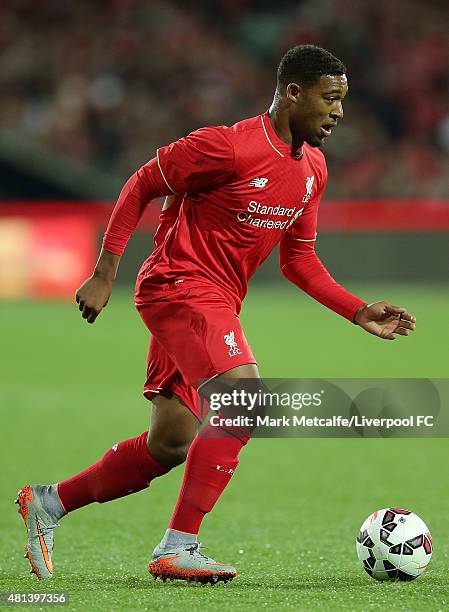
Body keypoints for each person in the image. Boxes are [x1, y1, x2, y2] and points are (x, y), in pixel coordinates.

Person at [16, 44, 416, 584]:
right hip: (178, 285)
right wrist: (106, 271)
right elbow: (142, 183)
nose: (340, 112)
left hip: (215, 301)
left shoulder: (313, 169)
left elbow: (298, 259)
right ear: (293, 93)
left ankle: (49, 503)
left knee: (170, 443)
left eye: (343, 100)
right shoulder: (225, 147)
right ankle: (179, 546)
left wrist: (358, 310)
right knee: (244, 400)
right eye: (331, 98)